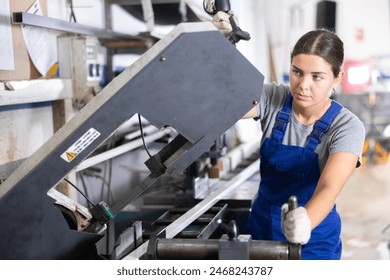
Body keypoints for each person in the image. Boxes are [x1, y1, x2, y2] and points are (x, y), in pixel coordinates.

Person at [212, 11, 366, 259]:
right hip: (260, 226)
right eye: (297, 72)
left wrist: (305, 221)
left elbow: (330, 186)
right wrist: (222, 48)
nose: (303, 85)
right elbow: (224, 100)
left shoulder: (347, 126)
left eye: (317, 77)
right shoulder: (273, 98)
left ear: (337, 77)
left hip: (313, 237)